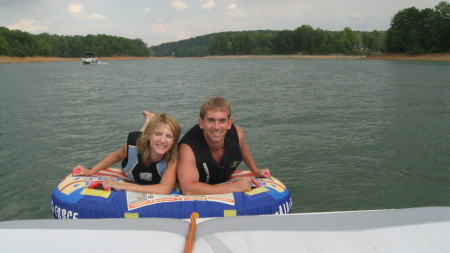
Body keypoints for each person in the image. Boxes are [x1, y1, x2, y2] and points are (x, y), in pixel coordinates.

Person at [177, 96, 270, 195]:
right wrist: (232, 187)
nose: (217, 127)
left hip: (219, 179)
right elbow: (188, 189)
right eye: (211, 120)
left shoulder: (237, 135)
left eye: (222, 120)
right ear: (201, 123)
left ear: (229, 123)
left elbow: (242, 147)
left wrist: (255, 171)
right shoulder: (188, 148)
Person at [72, 112, 181, 194]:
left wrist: (122, 186)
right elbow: (117, 155)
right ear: (149, 135)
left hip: (146, 141)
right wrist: (90, 171)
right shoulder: (133, 146)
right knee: (139, 137)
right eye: (158, 134)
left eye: (169, 136)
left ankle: (149, 121)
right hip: (141, 141)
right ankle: (148, 121)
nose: (163, 140)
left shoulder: (173, 155)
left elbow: (164, 188)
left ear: (174, 140)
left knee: (147, 138)